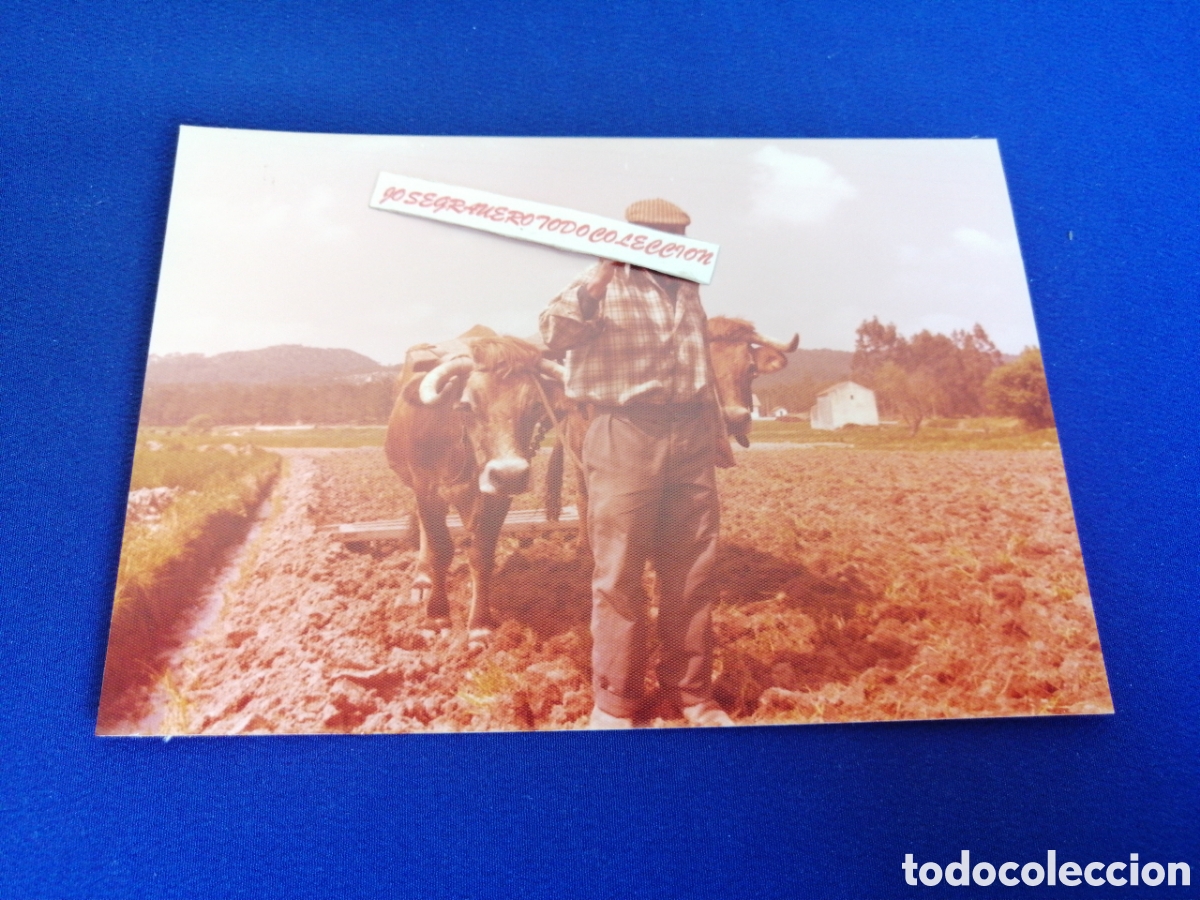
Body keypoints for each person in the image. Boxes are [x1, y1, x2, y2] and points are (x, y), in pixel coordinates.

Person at [539, 198, 735, 729]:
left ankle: (691, 694)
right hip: (624, 429)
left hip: (689, 432)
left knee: (692, 569)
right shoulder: (602, 282)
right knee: (620, 571)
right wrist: (598, 279)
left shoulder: (689, 290)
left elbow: (698, 366)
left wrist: (715, 432)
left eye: (678, 237)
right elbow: (553, 333)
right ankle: (616, 702)